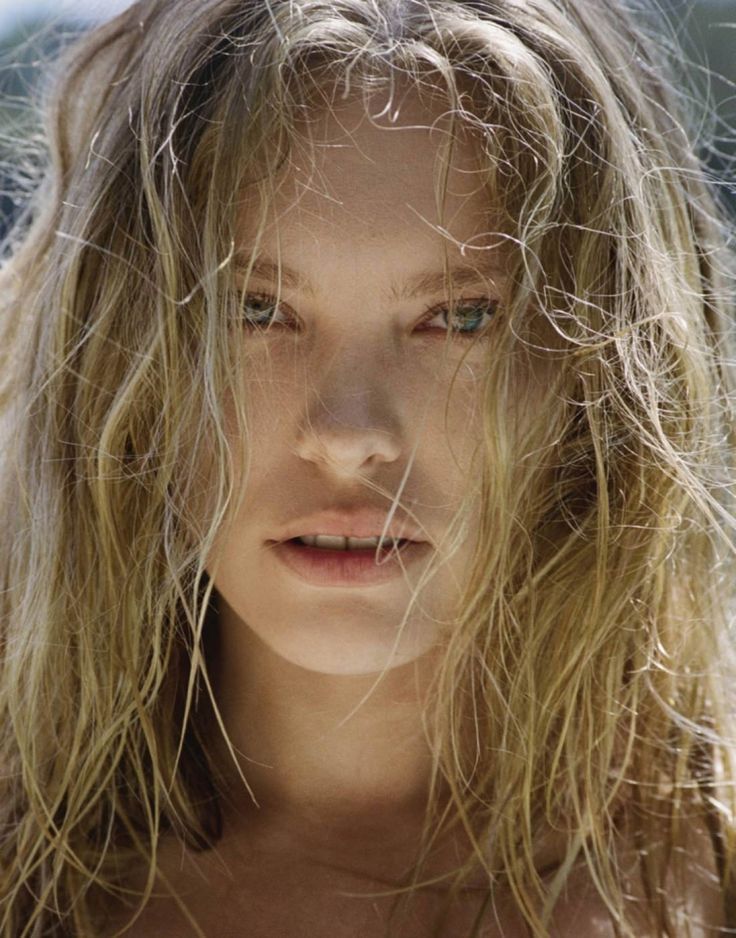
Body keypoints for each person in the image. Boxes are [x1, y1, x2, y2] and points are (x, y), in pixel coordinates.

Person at [0, 0, 734, 935]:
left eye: (460, 317)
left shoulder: (706, 878)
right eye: (256, 310)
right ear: (121, 364)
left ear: (600, 376)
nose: (347, 436)